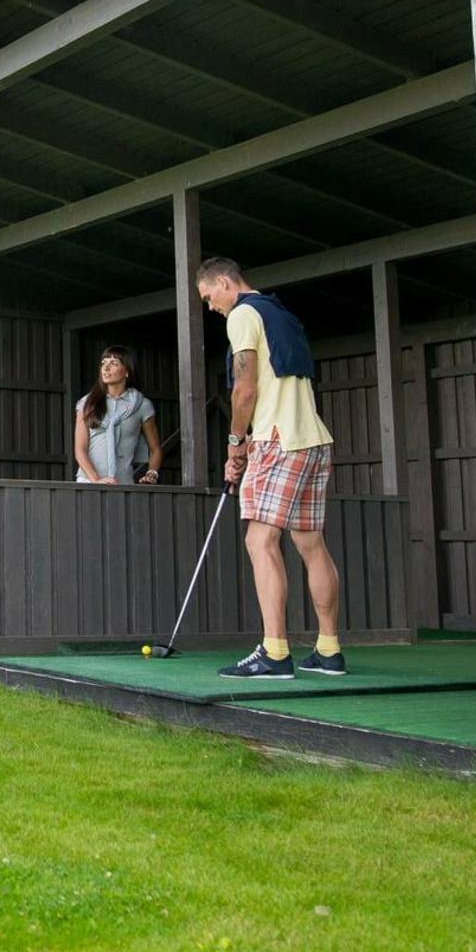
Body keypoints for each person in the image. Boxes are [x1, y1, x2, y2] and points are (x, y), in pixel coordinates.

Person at [195, 257, 343, 680]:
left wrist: (235, 444)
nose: (211, 307)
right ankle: (329, 650)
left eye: (209, 297)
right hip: (314, 440)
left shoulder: (242, 314)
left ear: (225, 283)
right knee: (310, 542)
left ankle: (275, 653)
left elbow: (245, 389)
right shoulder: (281, 313)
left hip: (277, 440)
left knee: (259, 540)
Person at [72, 346, 164, 485]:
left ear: (127, 371)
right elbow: (80, 450)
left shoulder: (142, 405)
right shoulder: (87, 403)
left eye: (113, 363)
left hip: (123, 482)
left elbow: (155, 448)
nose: (106, 368)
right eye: (103, 363)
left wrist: (151, 474)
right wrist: (97, 480)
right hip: (88, 481)